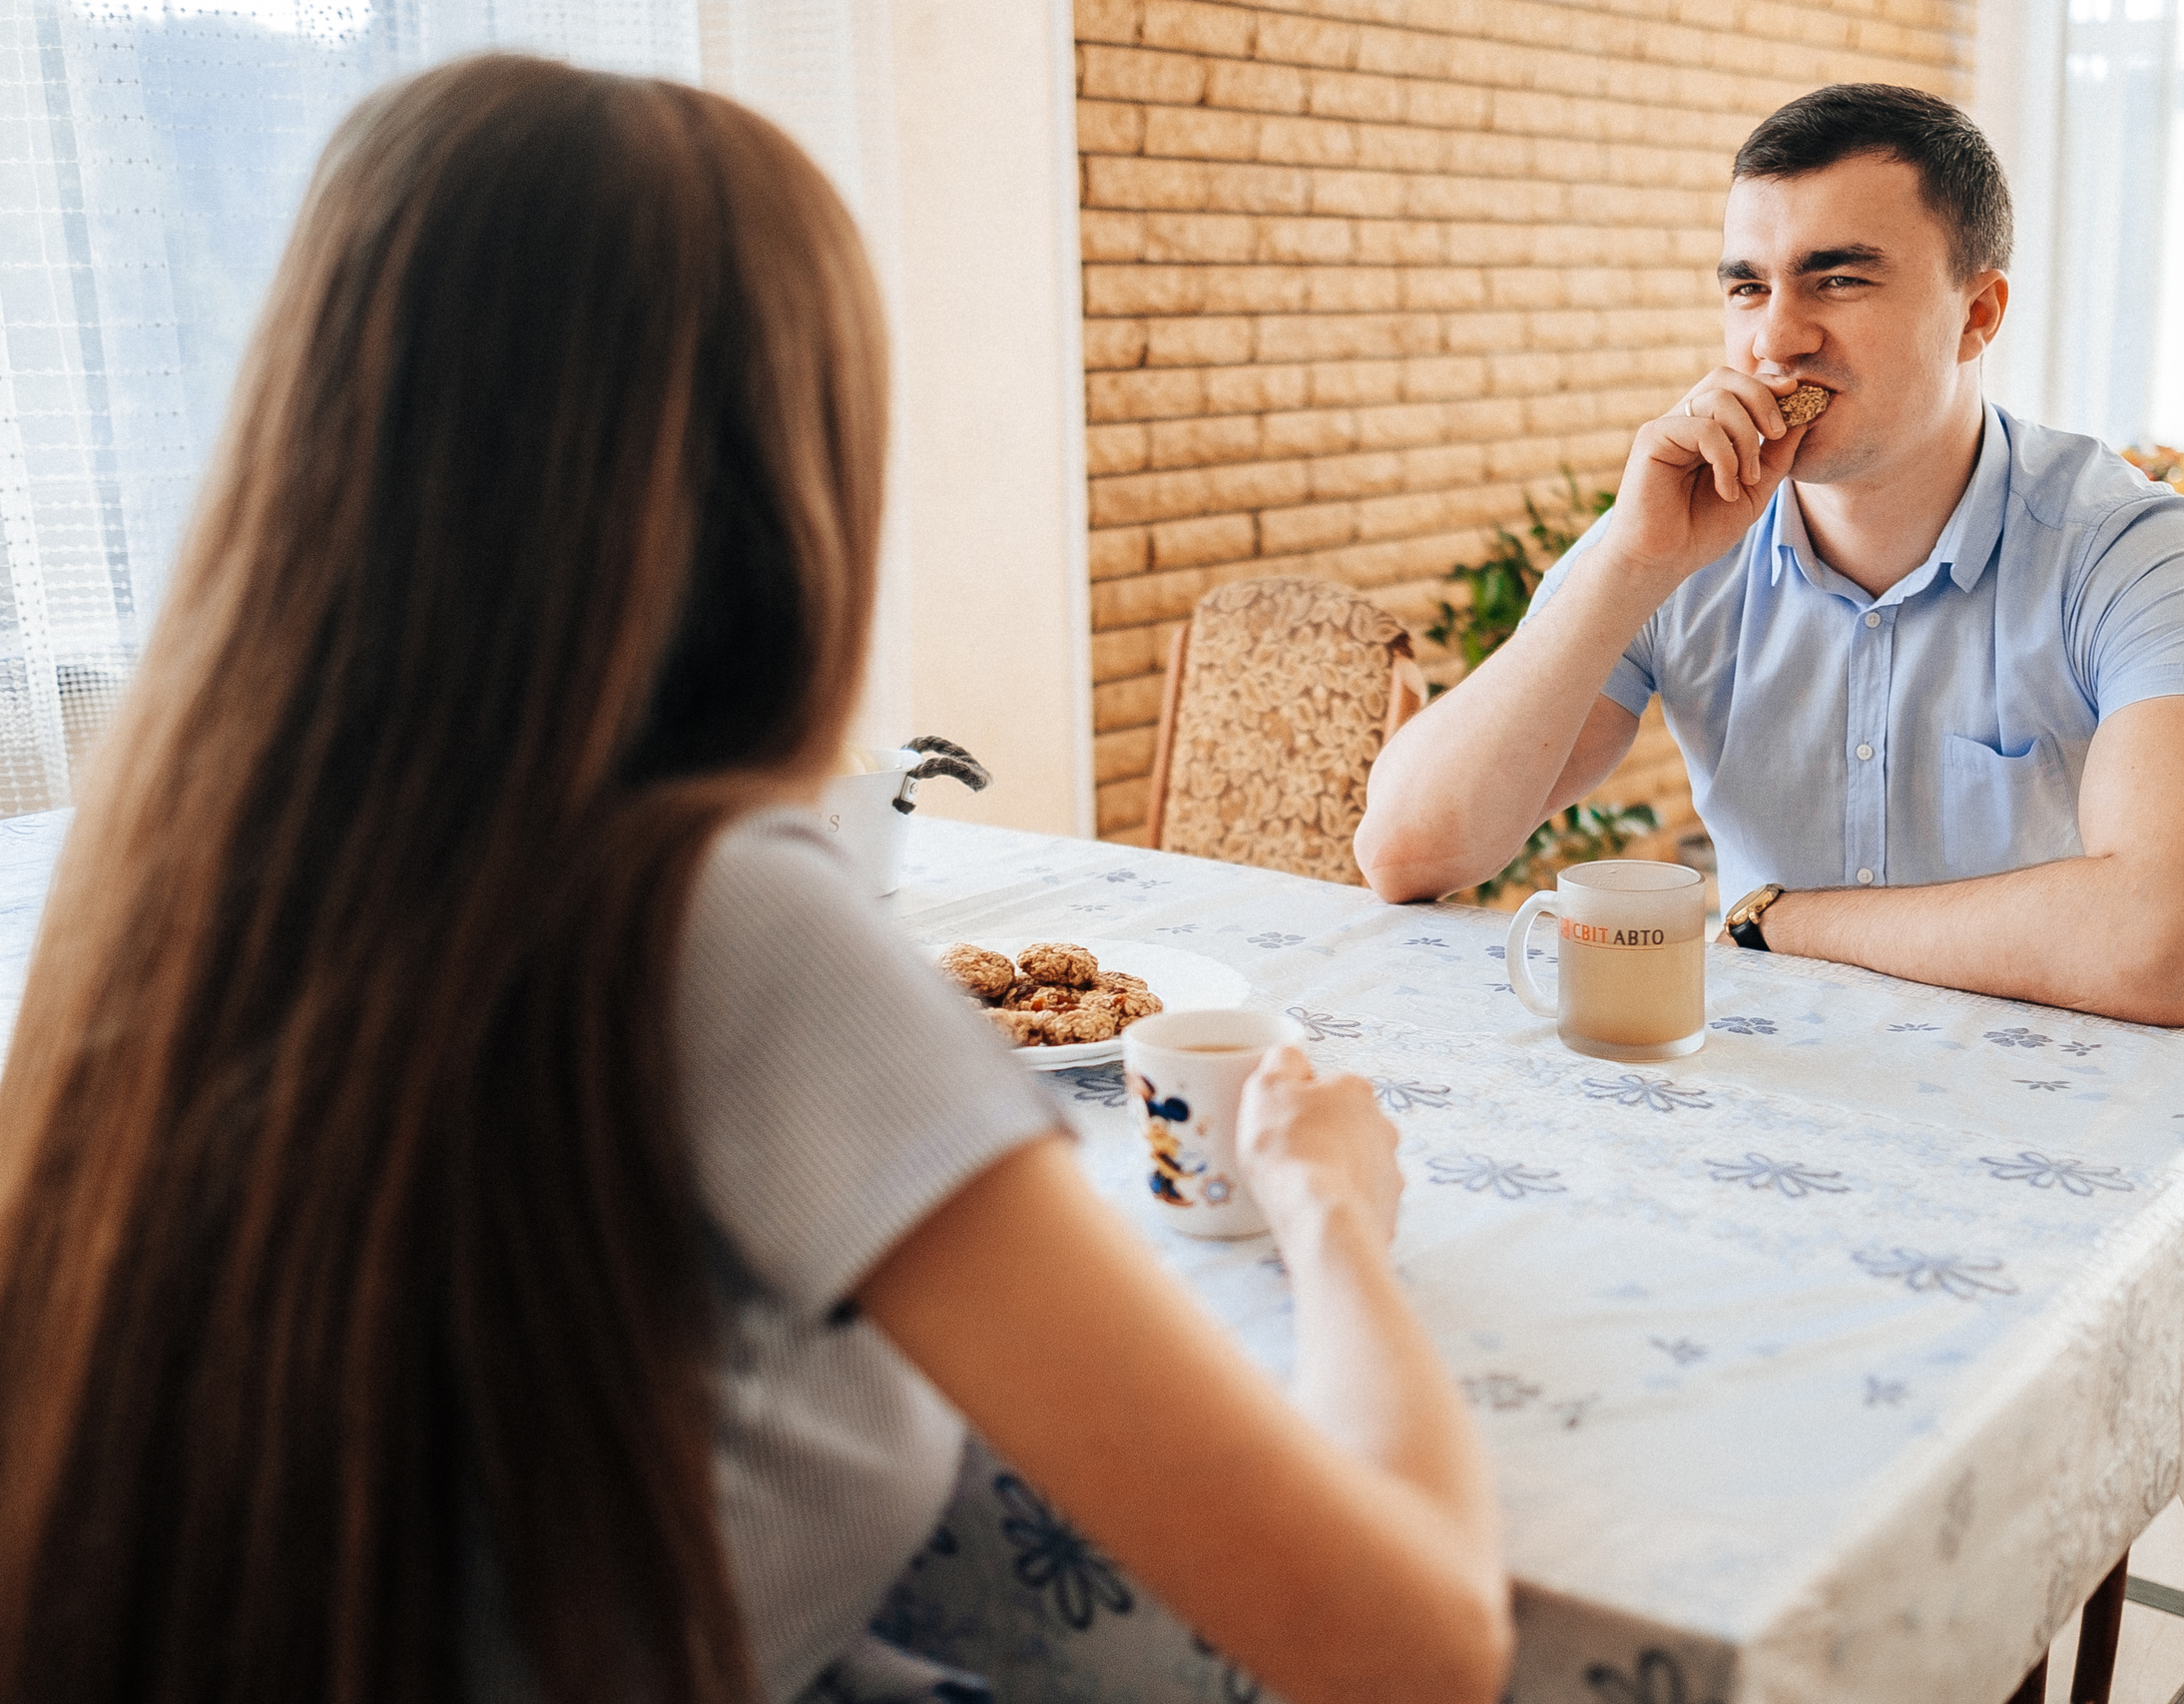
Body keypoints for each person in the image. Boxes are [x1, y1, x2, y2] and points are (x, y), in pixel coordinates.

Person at [0, 56, 1510, 1704]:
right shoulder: (721, 925)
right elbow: (1411, 1648)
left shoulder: (170, 857)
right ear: (778, 480)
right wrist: (1329, 1210)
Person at [1358, 84, 2184, 1029]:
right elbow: (1407, 853)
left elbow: (2168, 946)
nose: (1776, 340)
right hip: (1766, 1100)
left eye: (1839, 280)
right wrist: (1630, 564)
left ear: (1978, 313)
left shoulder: (2137, 552)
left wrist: (1781, 923)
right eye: (1748, 286)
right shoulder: (1674, 530)